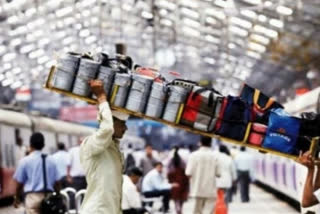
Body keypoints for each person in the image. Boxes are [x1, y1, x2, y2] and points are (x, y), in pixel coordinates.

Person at [80, 80, 129, 214]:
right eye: (122, 123)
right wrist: (101, 98)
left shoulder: (114, 149)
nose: (126, 128)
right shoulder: (92, 144)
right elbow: (107, 129)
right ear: (111, 121)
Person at [13, 132, 60, 214]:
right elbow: (57, 182)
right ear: (43, 145)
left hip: (33, 198)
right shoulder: (52, 160)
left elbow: (19, 184)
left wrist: (16, 198)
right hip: (49, 197)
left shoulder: (24, 161)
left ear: (30, 145)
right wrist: (58, 194)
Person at [185, 136, 221, 214]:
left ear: (200, 143)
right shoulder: (215, 156)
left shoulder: (193, 155)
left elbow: (188, 173)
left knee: (196, 212)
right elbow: (218, 174)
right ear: (211, 143)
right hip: (210, 190)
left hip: (197, 189)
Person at [167, 146, 189, 214]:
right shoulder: (183, 158)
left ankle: (178, 210)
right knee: (181, 199)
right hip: (182, 180)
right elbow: (186, 170)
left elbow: (168, 171)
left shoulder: (170, 159)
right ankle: (180, 210)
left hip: (174, 181)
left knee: (176, 199)